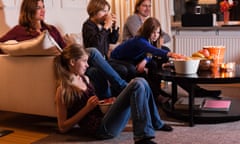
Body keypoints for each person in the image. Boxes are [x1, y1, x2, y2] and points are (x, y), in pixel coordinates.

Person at [54, 43, 173, 144]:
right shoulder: (63, 90)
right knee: (136, 84)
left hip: (106, 118)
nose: (87, 64)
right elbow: (63, 127)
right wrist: (87, 108)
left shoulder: (85, 78)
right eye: (84, 61)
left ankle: (155, 123)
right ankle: (142, 138)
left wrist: (111, 104)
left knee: (142, 82)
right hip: (101, 130)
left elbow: (96, 106)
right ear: (72, 62)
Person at [111, 17, 221, 100]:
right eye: (153, 32)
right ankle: (157, 94)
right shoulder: (140, 39)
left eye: (157, 32)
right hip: (120, 59)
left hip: (135, 57)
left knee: (157, 63)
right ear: (147, 31)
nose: (155, 35)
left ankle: (195, 90)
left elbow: (151, 51)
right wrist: (171, 54)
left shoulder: (149, 39)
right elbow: (151, 50)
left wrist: (145, 60)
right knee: (154, 61)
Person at [0, 0, 66, 49]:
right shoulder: (18, 30)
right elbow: (1, 44)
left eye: (43, 7)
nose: (43, 10)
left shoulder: (52, 29)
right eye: (38, 8)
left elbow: (66, 50)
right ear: (29, 10)